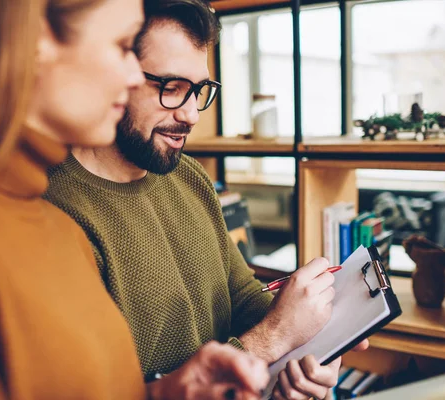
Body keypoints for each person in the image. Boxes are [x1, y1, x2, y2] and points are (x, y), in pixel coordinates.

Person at [0, 0, 271, 399]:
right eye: (120, 45)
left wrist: (168, 393)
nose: (133, 75)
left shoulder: (52, 225)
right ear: (36, 42)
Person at [44, 0, 368, 399]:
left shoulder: (189, 176)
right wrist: (273, 339)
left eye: (199, 90)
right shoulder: (53, 210)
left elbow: (240, 296)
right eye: (172, 89)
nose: (192, 114)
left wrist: (314, 341)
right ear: (117, 74)